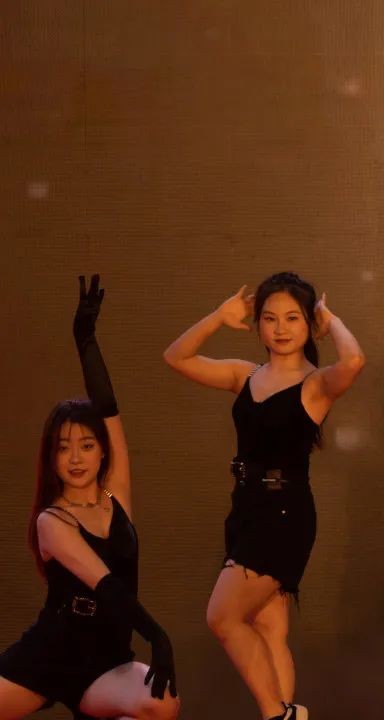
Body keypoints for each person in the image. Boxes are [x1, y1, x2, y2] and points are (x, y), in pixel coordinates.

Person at [164, 272, 363, 720]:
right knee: (269, 628)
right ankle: (285, 713)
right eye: (270, 318)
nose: (280, 328)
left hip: (285, 513)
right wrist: (218, 317)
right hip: (247, 508)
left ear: (309, 324)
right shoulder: (245, 375)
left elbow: (353, 362)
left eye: (293, 318)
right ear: (258, 325)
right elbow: (176, 357)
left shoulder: (315, 384)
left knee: (223, 617)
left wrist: (332, 322)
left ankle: (278, 715)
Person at [0, 275, 179, 720]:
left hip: (106, 661)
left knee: (162, 704)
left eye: (86, 445)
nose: (76, 457)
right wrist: (157, 635)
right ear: (51, 456)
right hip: (50, 652)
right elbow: (107, 586)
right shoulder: (52, 521)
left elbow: (108, 409)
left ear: (102, 451)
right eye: (64, 447)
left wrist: (86, 341)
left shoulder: (116, 496)